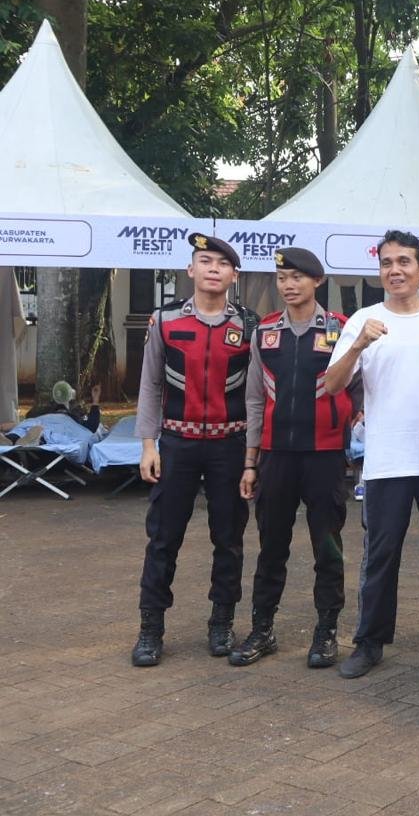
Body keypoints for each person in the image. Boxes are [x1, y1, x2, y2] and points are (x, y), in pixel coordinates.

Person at [323, 229, 419, 681]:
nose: (395, 270)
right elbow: (332, 385)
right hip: (387, 460)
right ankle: (370, 642)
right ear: (379, 271)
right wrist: (358, 344)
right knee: (380, 555)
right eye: (387, 263)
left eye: (404, 262)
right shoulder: (363, 321)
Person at [130, 234, 256, 667]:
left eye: (223, 263)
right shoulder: (164, 320)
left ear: (234, 275)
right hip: (176, 444)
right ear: (190, 270)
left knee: (229, 539)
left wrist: (253, 456)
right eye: (205, 261)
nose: (213, 269)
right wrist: (148, 444)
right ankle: (150, 630)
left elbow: (258, 394)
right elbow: (150, 384)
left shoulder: (251, 326)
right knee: (163, 539)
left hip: (230, 445)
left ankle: (222, 622)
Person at [230, 247, 357, 669]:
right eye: (282, 278)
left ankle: (327, 631)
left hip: (325, 457)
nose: (289, 285)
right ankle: (262, 629)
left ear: (317, 281)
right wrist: (250, 462)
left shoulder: (341, 329)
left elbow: (359, 388)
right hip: (275, 457)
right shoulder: (265, 331)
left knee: (328, 548)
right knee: (271, 547)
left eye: (298, 277)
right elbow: (254, 399)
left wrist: (346, 424)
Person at [26, 380, 101, 432]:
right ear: (71, 396)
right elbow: (92, 427)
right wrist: (95, 400)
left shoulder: (42, 419)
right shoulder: (74, 420)